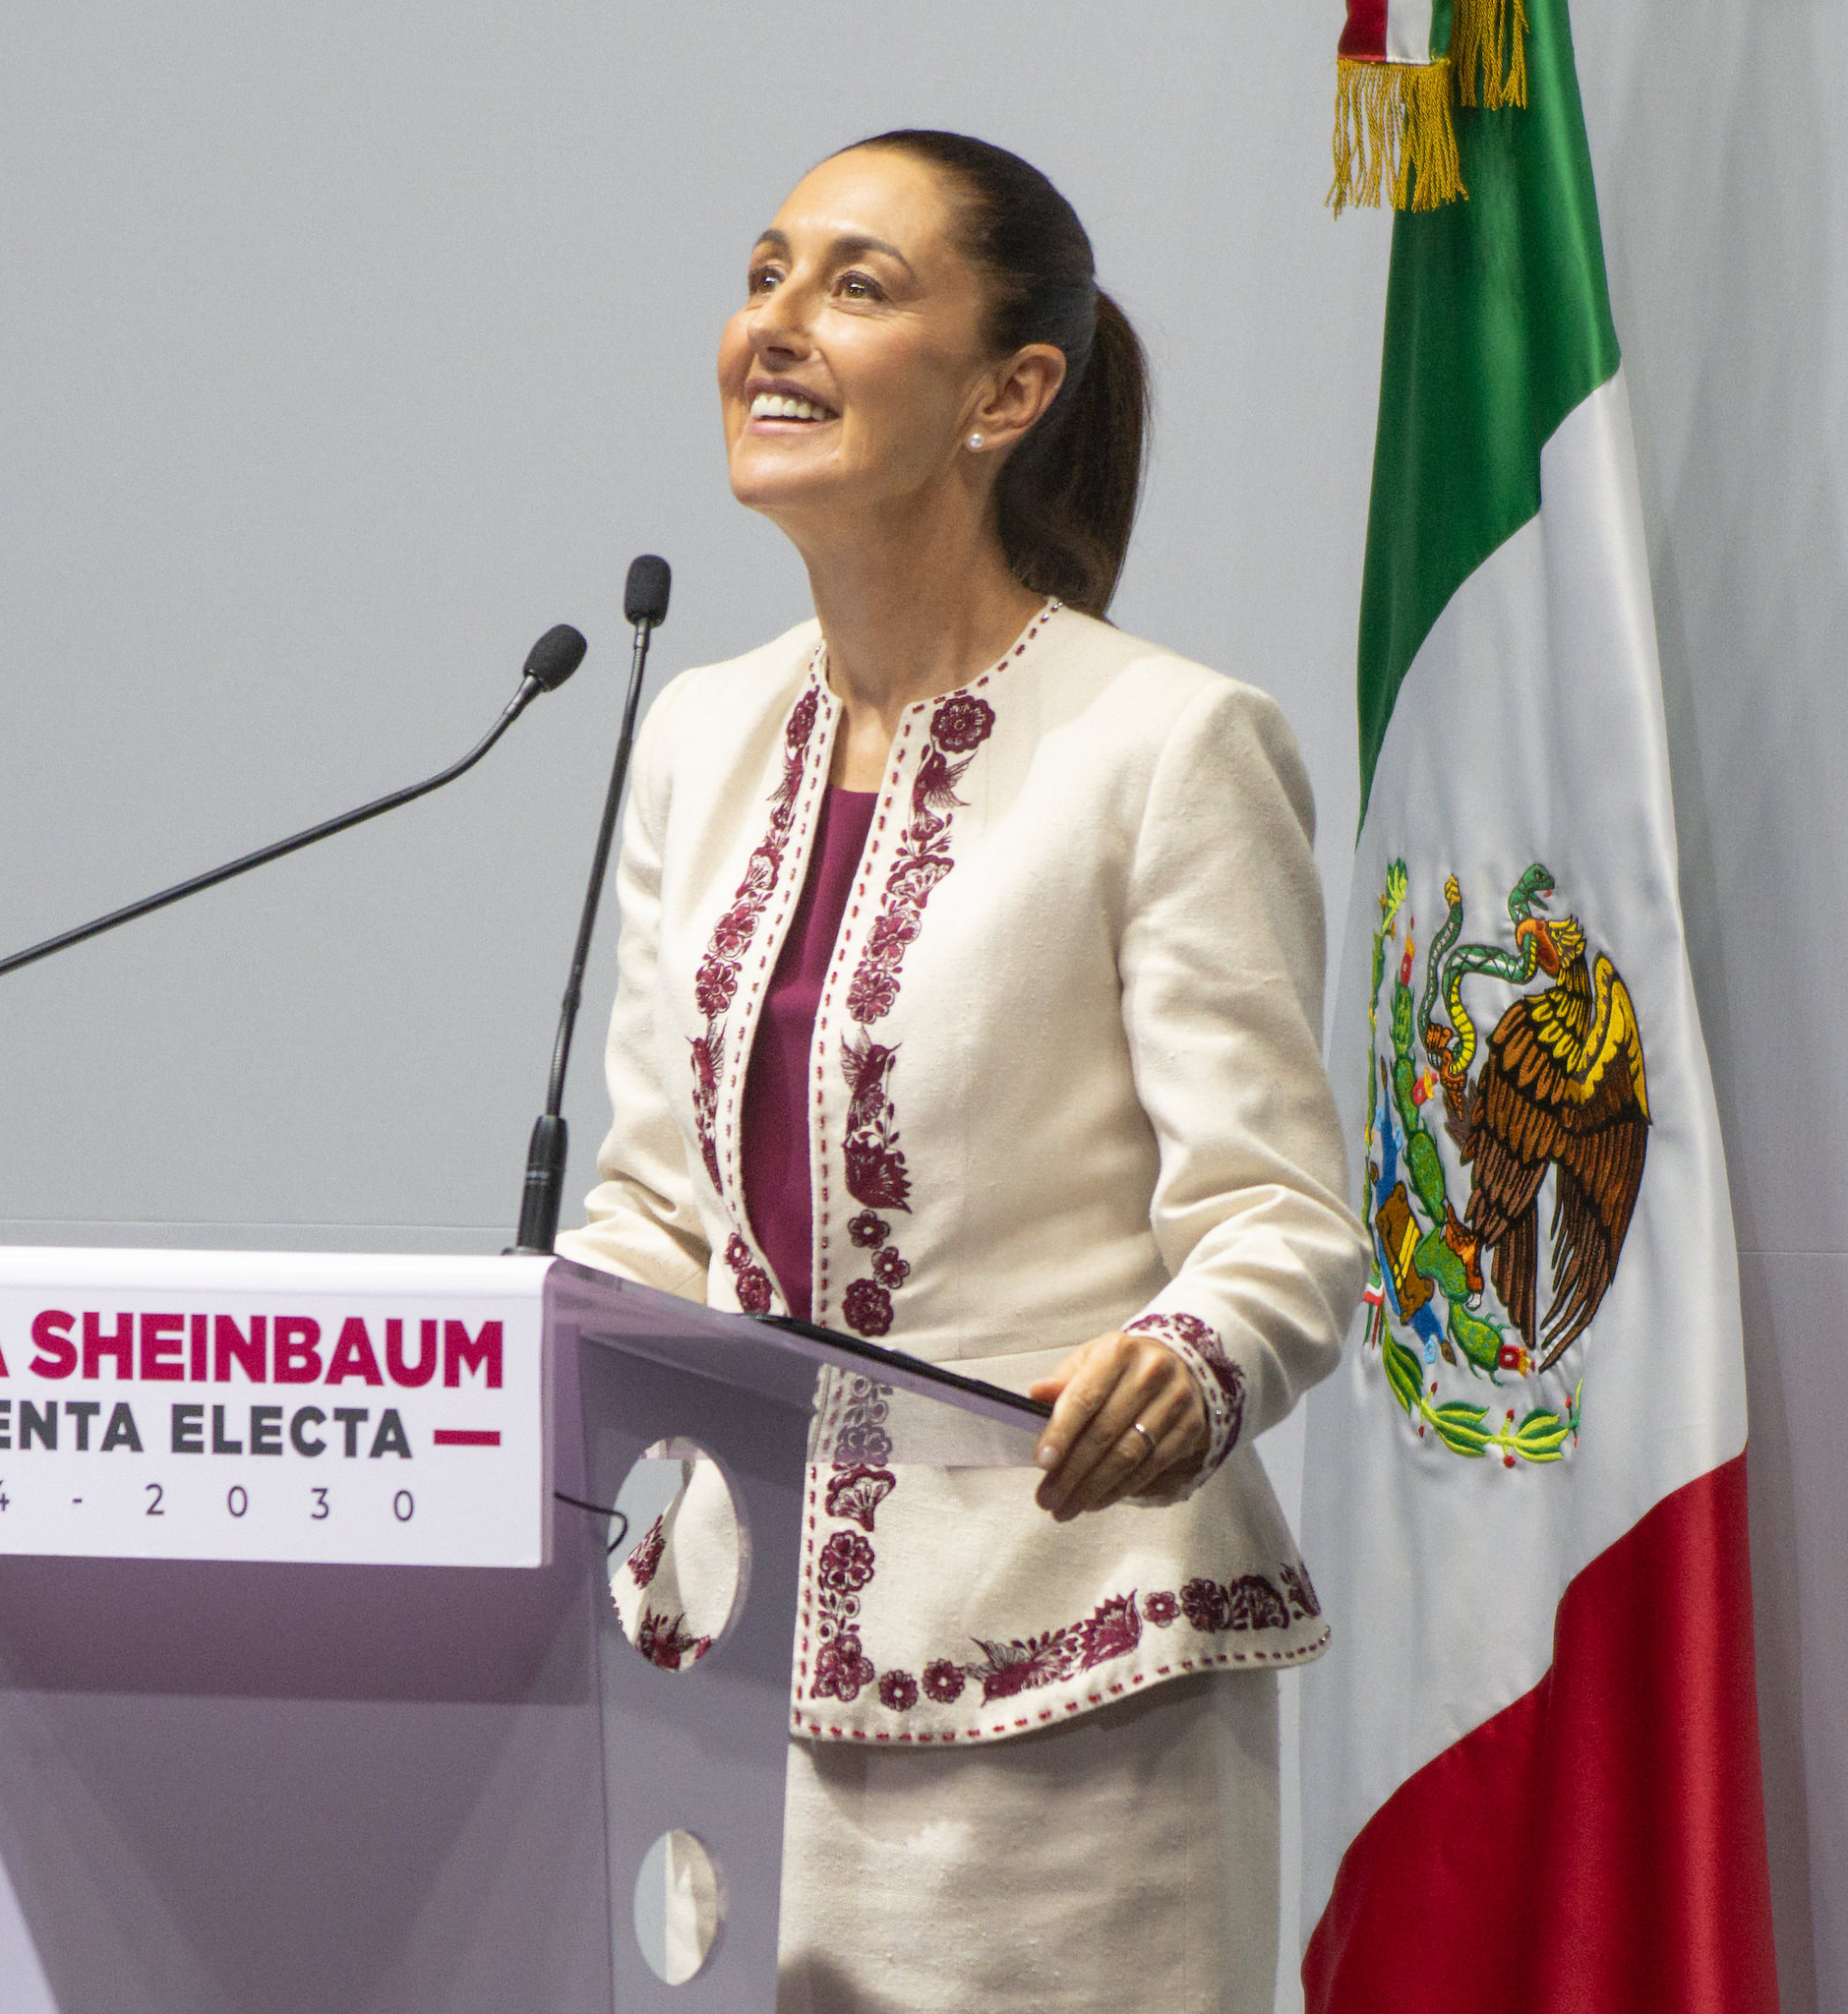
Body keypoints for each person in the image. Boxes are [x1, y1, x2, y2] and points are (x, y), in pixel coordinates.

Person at [557, 129, 1367, 2014]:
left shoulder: (1170, 745)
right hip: (717, 1666)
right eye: (765, 273)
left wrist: (1194, 1355)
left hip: (1064, 1688)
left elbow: (1276, 1213)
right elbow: (660, 1198)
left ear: (1013, 392)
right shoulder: (692, 736)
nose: (777, 324)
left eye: (856, 284)